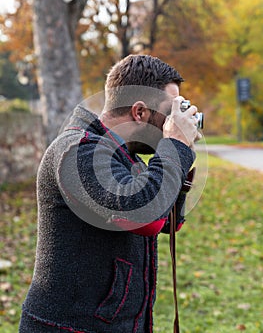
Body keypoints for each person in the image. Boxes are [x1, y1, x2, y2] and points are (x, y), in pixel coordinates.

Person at [19, 54, 200, 333]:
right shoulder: (78, 151)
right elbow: (143, 213)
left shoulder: (126, 157)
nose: (172, 122)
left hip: (113, 324)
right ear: (139, 112)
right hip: (70, 326)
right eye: (170, 112)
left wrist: (180, 152)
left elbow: (164, 222)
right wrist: (175, 146)